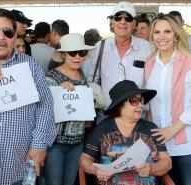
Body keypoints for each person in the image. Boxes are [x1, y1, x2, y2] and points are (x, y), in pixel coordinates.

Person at [0, 7, 57, 185]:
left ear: (15, 36)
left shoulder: (30, 65)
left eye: (8, 32)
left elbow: (45, 104)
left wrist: (39, 144)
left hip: (18, 165)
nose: (1, 37)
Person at [80, 80, 172, 185]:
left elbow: (167, 162)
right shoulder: (103, 128)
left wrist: (151, 168)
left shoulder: (151, 128)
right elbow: (85, 159)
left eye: (141, 100)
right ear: (120, 104)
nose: (141, 105)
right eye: (134, 101)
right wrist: (94, 170)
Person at [145, 13, 191, 185]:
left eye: (167, 32)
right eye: (157, 32)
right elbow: (149, 102)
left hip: (185, 143)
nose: (161, 37)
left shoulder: (188, 61)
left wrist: (173, 129)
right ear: (152, 36)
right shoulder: (149, 63)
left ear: (176, 35)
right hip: (159, 145)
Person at [44, 33, 95, 185]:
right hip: (55, 143)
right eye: (73, 53)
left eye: (82, 52)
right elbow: (43, 111)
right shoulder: (51, 77)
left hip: (77, 142)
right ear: (63, 54)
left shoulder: (82, 75)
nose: (77, 57)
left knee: (70, 182)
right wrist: (58, 91)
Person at [86, 1, 151, 110]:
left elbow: (151, 83)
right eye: (118, 17)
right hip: (107, 114)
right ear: (112, 22)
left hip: (137, 114)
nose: (122, 21)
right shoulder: (101, 46)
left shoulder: (146, 48)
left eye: (128, 18)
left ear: (134, 23)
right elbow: (91, 80)